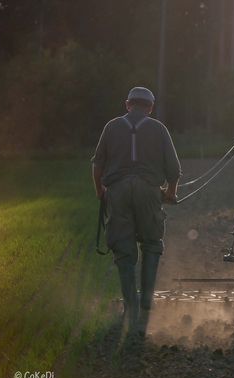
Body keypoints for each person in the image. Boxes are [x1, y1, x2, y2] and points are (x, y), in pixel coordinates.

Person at [91, 87, 181, 331]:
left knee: (123, 249)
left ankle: (130, 304)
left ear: (128, 104)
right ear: (150, 108)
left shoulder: (111, 127)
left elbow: (98, 165)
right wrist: (171, 193)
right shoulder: (158, 129)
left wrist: (101, 193)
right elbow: (173, 169)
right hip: (149, 191)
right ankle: (147, 301)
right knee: (152, 242)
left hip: (118, 192)